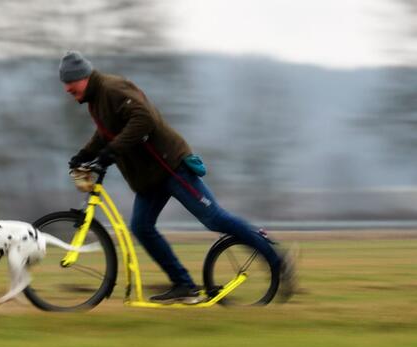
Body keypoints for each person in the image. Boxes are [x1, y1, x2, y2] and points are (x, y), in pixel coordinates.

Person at [59, 50, 294, 303]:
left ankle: (277, 260)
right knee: (141, 227)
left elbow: (143, 119)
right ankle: (184, 285)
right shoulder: (97, 100)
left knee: (214, 218)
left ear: (83, 77)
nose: (67, 89)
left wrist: (111, 152)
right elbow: (107, 133)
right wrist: (85, 154)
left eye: (69, 83)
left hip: (170, 166)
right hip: (149, 177)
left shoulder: (112, 89)